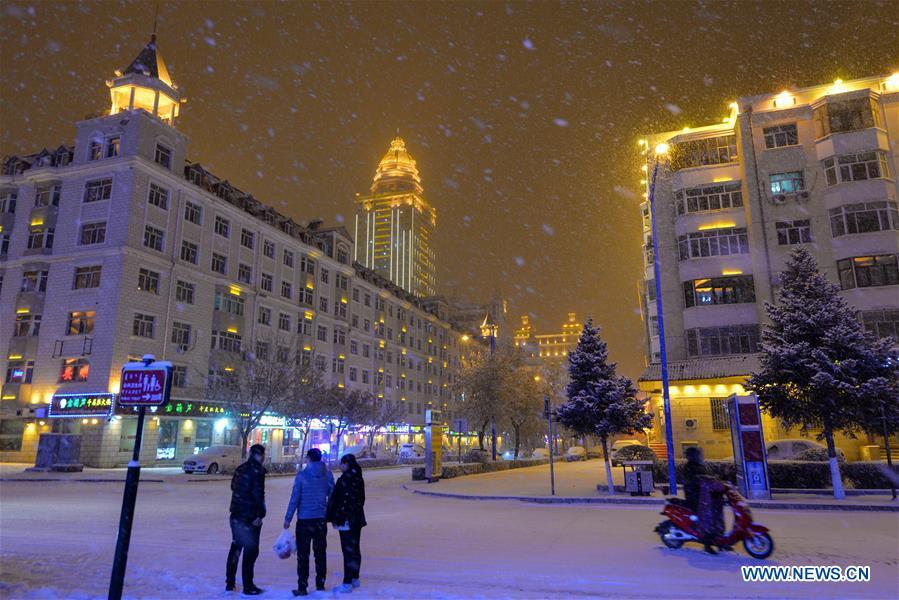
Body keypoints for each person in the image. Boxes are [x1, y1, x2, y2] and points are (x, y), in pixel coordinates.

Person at [284, 448, 335, 596]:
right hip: (320, 519)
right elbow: (332, 493)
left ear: (309, 458)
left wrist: (288, 518)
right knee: (320, 553)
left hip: (304, 520)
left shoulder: (302, 476)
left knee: (303, 555)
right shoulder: (327, 474)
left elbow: (295, 498)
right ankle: (320, 583)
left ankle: (302, 586)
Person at [227, 444, 267, 595]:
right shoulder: (257, 471)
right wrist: (260, 514)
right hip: (250, 516)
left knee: (236, 547)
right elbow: (258, 494)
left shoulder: (241, 469)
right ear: (259, 455)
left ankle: (230, 583)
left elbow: (233, 487)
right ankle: (248, 585)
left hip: (236, 513)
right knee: (251, 550)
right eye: (262, 454)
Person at [327, 454, 367, 593]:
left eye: (341, 464)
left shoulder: (345, 479)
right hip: (357, 519)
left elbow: (339, 500)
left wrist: (340, 514)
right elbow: (361, 499)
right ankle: (355, 577)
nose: (340, 467)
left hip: (346, 520)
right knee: (355, 548)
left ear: (346, 464)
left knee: (348, 550)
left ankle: (347, 581)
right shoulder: (358, 477)